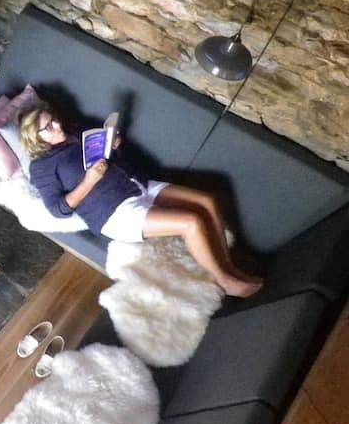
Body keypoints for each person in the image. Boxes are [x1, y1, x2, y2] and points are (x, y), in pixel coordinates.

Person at [21, 104, 263, 298]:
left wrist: (114, 148)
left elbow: (108, 160)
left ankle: (227, 264)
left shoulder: (77, 133)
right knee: (191, 222)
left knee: (207, 201)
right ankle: (223, 281)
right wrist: (89, 181)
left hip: (136, 185)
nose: (56, 125)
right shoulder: (42, 167)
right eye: (47, 127)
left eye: (53, 119)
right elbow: (58, 209)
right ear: (35, 138)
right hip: (114, 213)